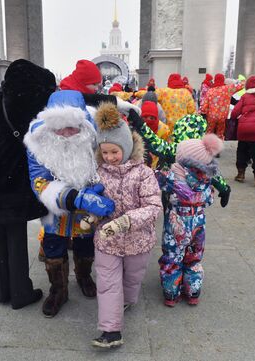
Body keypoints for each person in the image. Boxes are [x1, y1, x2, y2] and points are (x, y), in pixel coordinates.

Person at [23, 90, 117, 317]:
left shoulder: (94, 140)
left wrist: (100, 188)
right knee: (53, 247)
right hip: (55, 211)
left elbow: (109, 167)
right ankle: (58, 290)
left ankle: (84, 276)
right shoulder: (38, 144)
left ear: (83, 125)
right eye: (59, 128)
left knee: (86, 245)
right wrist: (75, 197)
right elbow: (39, 182)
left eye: (71, 127)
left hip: (88, 212)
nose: (65, 134)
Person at [0, 59, 57, 310]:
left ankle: (4, 291)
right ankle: (21, 292)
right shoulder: (36, 102)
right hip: (12, 176)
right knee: (15, 236)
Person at [90, 103, 162, 348]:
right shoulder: (99, 173)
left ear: (127, 147)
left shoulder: (143, 174)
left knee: (132, 279)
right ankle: (111, 331)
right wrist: (92, 214)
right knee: (108, 282)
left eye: (115, 152)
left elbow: (153, 207)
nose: (110, 157)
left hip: (137, 240)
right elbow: (96, 200)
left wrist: (126, 221)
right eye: (105, 152)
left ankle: (128, 298)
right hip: (107, 239)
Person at [157, 134, 224, 306]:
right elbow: (210, 200)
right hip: (198, 223)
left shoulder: (170, 177)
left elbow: (156, 183)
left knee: (173, 256)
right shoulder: (207, 180)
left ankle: (171, 292)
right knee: (193, 257)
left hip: (176, 223)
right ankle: (193, 290)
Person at [200, 73, 244, 139]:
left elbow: (204, 104)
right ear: (223, 80)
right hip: (223, 116)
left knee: (209, 132)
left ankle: (208, 146)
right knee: (220, 133)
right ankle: (219, 147)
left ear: (215, 80)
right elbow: (241, 86)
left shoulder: (210, 91)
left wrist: (202, 113)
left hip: (211, 116)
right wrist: (242, 80)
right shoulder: (228, 89)